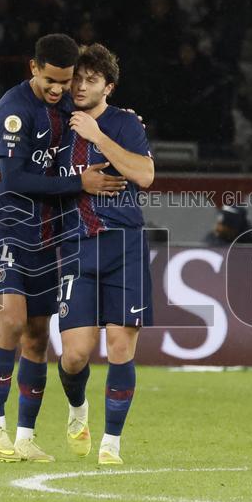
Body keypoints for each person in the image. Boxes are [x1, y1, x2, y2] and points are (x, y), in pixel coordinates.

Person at [0, 34, 125, 463]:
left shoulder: (65, 107)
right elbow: (14, 179)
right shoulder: (14, 111)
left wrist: (124, 118)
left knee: (39, 338)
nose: (59, 89)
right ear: (33, 68)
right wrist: (81, 182)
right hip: (5, 227)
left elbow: (100, 113)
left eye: (66, 81)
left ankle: (25, 436)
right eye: (51, 81)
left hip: (48, 232)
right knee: (14, 320)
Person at [51, 43, 155, 465]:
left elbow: (145, 176)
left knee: (119, 346)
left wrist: (99, 137)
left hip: (123, 243)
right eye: (77, 78)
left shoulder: (125, 124)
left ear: (108, 87)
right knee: (75, 354)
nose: (80, 86)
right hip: (75, 244)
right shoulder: (54, 123)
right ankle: (78, 409)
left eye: (91, 80)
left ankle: (111, 443)